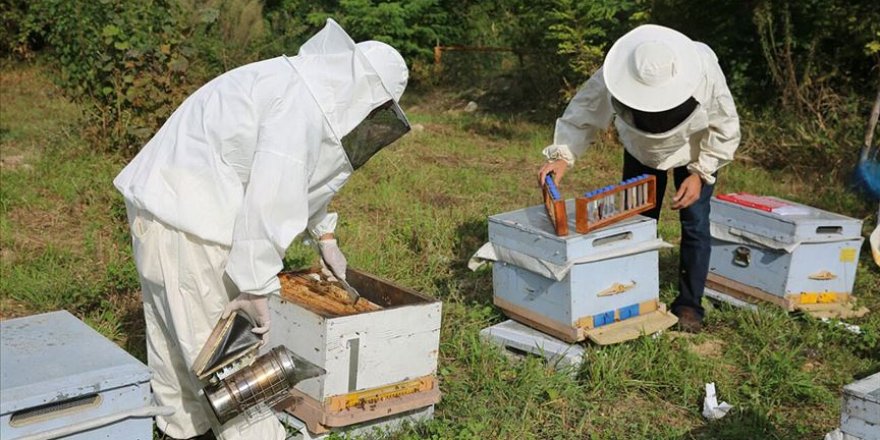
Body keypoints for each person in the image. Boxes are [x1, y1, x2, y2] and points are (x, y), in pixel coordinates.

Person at [114, 19, 410, 440]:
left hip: (167, 208)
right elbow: (271, 198)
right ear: (367, 93)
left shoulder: (295, 89)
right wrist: (254, 288)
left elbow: (306, 176)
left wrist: (325, 236)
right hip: (187, 222)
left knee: (178, 354)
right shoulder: (298, 108)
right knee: (227, 361)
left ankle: (180, 431)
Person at [538, 24, 740, 333]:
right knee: (637, 224)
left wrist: (701, 173)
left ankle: (689, 305)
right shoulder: (617, 71)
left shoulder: (705, 71)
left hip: (696, 151)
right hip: (640, 149)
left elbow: (725, 127)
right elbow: (585, 109)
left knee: (696, 223)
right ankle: (634, 294)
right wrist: (563, 156)